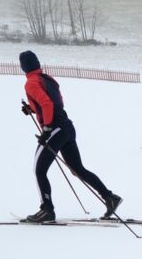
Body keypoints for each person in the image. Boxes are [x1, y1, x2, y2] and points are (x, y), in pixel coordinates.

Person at [19, 50, 122, 223]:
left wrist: (47, 129)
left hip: (55, 129)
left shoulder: (31, 82)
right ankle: (110, 197)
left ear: (23, 66)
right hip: (66, 127)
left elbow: (47, 103)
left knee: (39, 170)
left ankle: (47, 210)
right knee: (77, 169)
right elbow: (57, 103)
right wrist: (33, 109)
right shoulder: (48, 79)